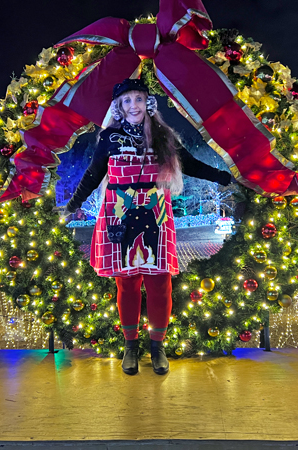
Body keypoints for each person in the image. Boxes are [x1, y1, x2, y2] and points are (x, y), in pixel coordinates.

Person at [63, 78, 232, 375]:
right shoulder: (109, 137)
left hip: (156, 213)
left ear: (147, 103)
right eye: (126, 101)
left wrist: (223, 177)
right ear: (119, 107)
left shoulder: (163, 136)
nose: (133, 106)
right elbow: (93, 174)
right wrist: (73, 205)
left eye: (138, 99)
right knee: (126, 283)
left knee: (159, 284)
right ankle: (130, 346)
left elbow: (189, 164)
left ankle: (157, 346)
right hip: (119, 213)